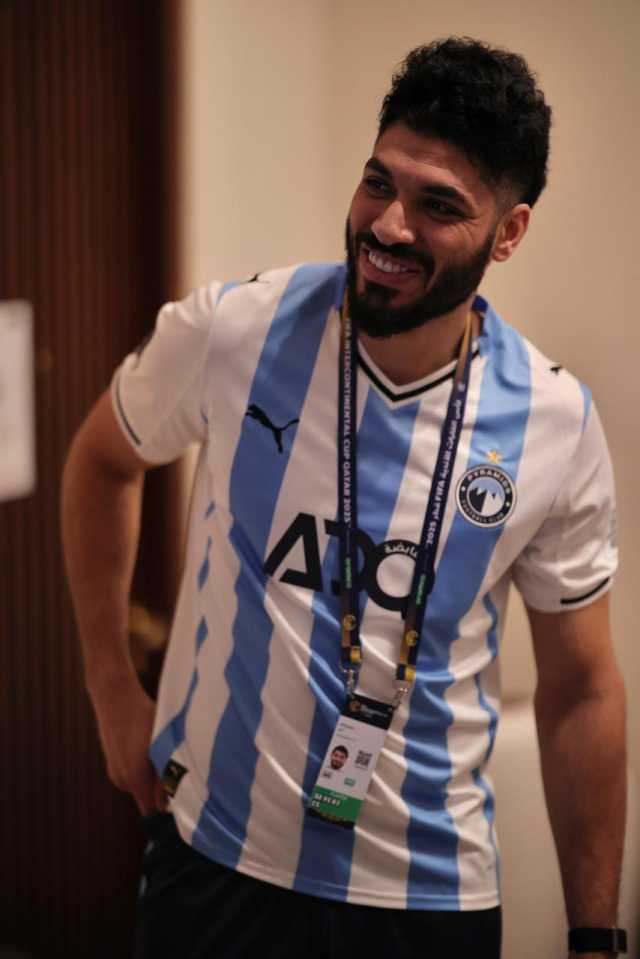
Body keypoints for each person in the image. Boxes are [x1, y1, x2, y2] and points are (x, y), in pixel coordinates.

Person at [61, 37, 627, 959]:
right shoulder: (237, 330)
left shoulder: (554, 423)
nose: (390, 226)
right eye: (378, 182)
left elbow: (582, 690)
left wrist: (595, 935)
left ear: (508, 232)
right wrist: (111, 688)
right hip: (214, 861)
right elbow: (101, 462)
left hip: (428, 898)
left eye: (439, 205)